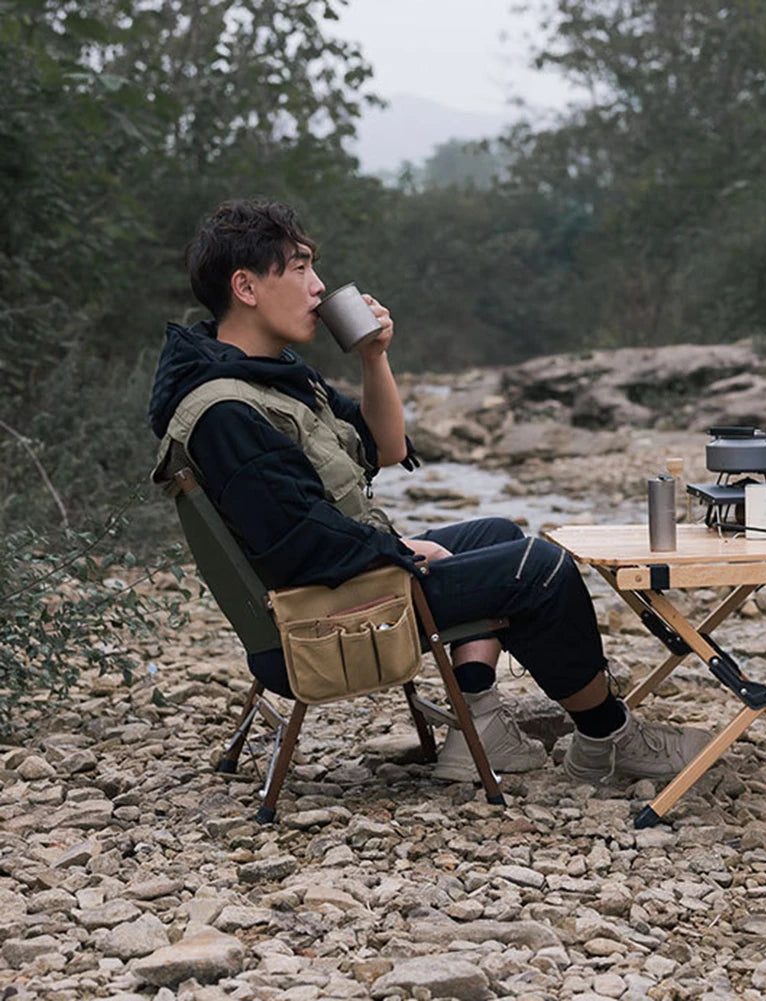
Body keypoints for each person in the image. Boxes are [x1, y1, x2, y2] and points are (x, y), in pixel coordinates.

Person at [148, 198, 710, 786]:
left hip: (334, 589)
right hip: (319, 620)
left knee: (495, 534)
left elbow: (387, 447)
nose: (318, 287)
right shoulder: (227, 411)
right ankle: (608, 738)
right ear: (246, 287)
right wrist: (397, 551)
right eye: (299, 268)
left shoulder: (270, 378)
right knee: (540, 570)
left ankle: (480, 725)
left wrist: (374, 357)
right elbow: (296, 541)